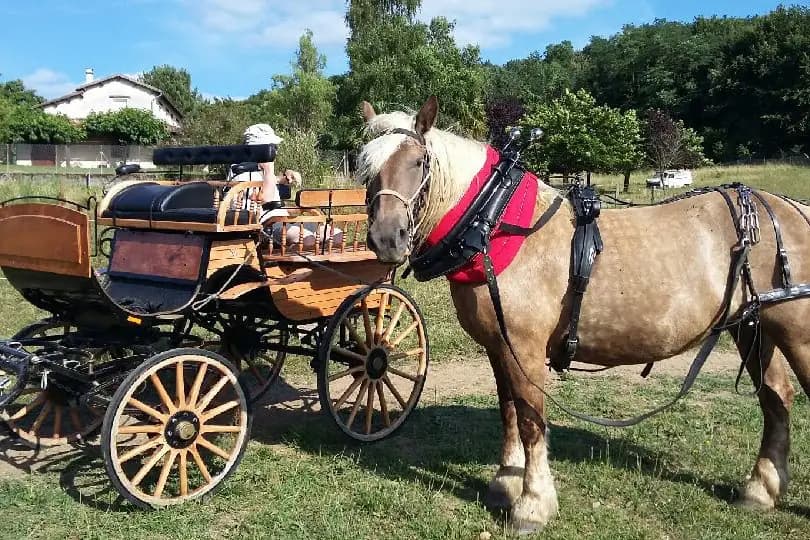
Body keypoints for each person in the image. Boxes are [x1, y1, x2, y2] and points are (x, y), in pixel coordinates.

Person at [234, 124, 341, 250]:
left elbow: (271, 182)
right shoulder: (241, 169)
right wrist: (269, 168)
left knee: (336, 234)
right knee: (306, 239)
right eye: (272, 148)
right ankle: (298, 266)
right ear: (258, 148)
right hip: (262, 226)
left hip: (282, 220)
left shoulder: (259, 168)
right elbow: (265, 198)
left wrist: (284, 177)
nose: (276, 151)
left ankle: (324, 266)